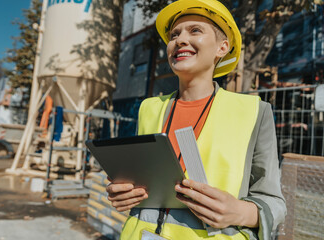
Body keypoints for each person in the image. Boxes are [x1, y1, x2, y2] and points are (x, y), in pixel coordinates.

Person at [106, 0, 286, 239]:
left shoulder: (254, 112)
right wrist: (123, 191)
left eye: (195, 30)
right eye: (174, 34)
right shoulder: (149, 109)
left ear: (222, 48)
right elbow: (145, 184)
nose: (179, 40)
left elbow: (274, 201)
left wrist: (241, 213)